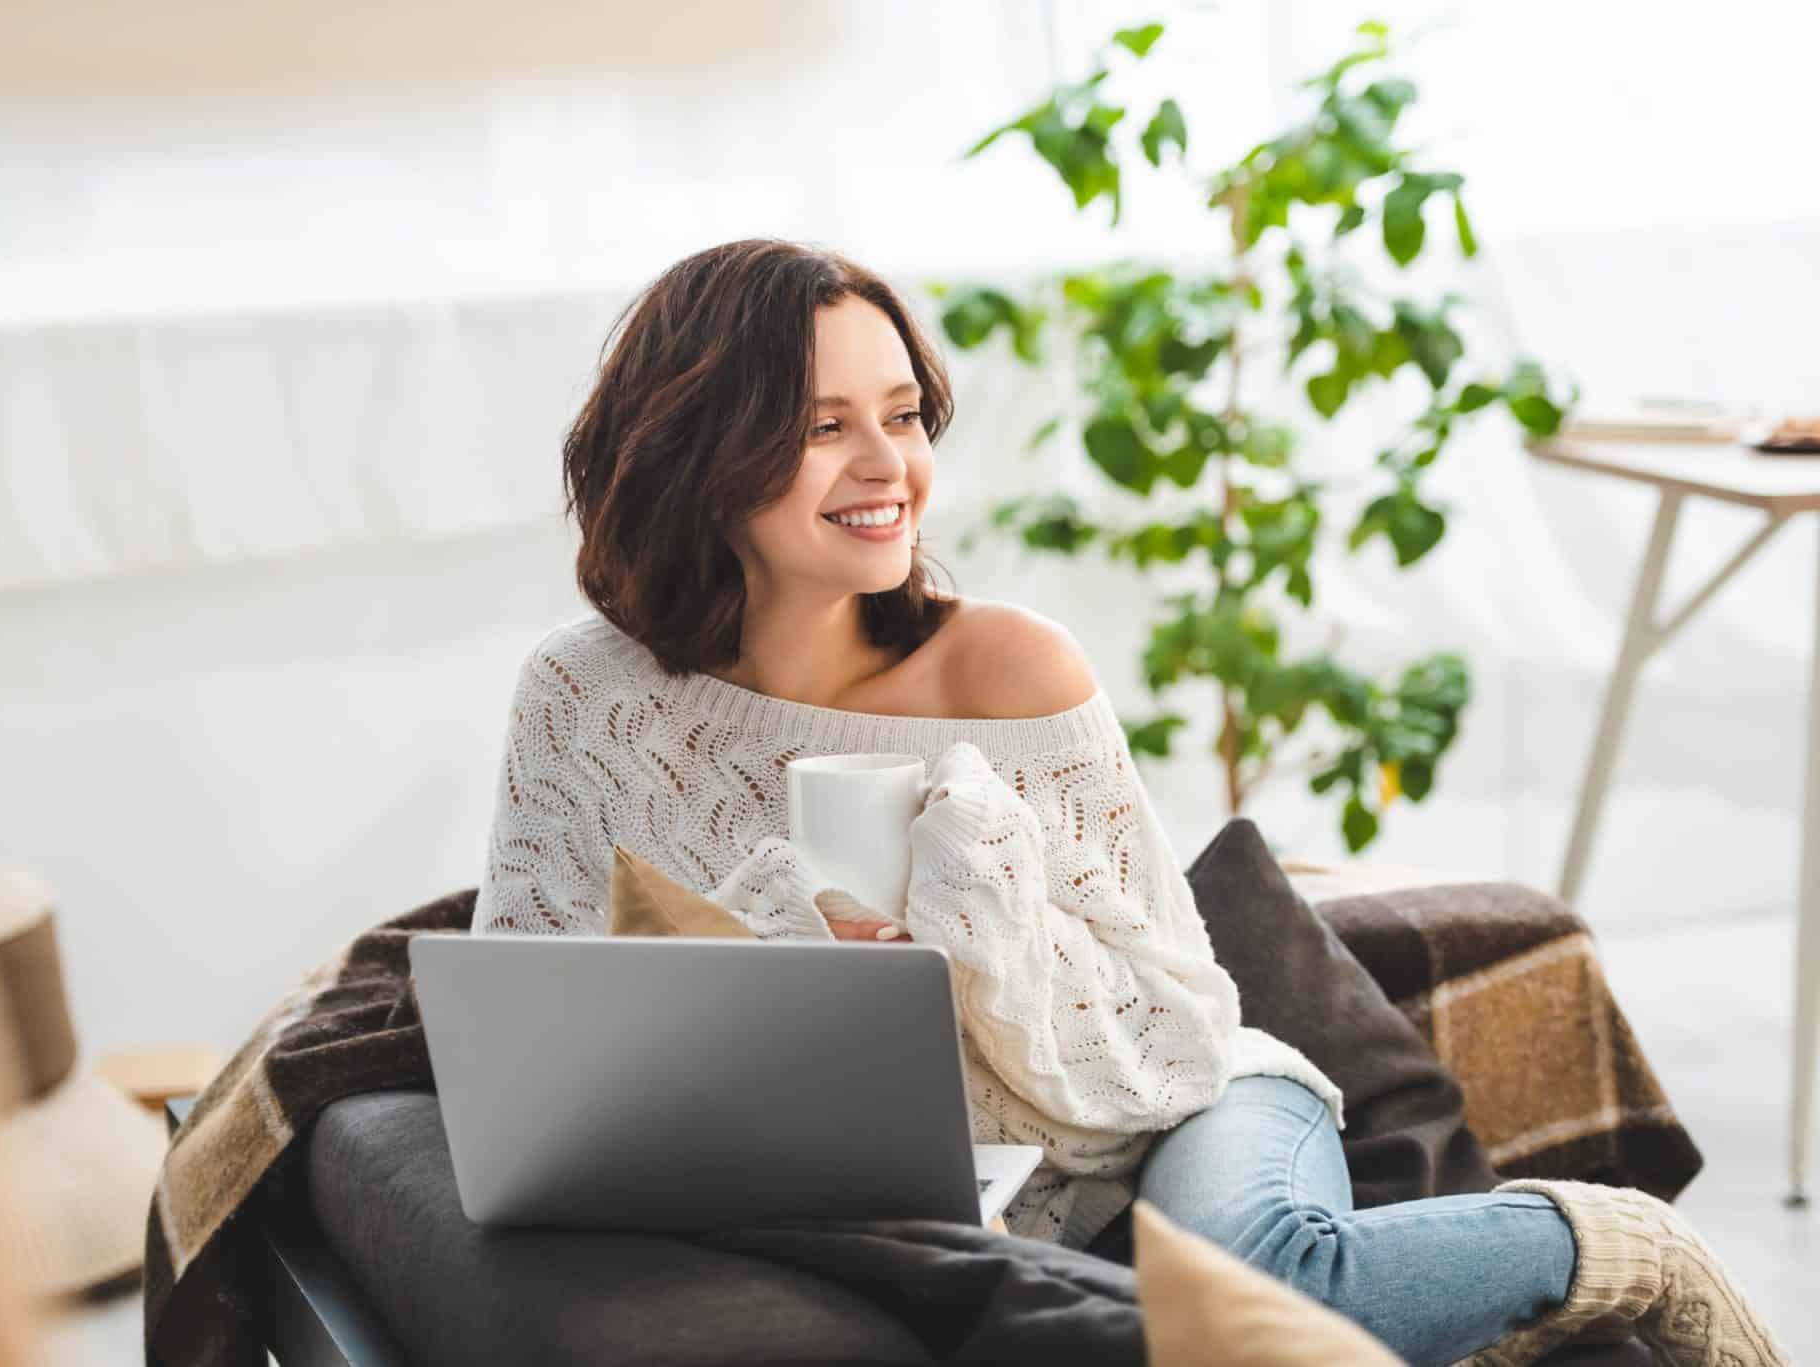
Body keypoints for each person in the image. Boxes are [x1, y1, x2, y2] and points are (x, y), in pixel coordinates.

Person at [471, 238, 1786, 1367]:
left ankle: (1617, 1247)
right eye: (823, 426)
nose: (888, 464)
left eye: (904, 412)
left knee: (1248, 1297)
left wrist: (966, 919)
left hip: (1183, 1099)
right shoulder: (587, 695)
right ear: (699, 450)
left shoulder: (1008, 667)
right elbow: (530, 1023)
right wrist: (801, 938)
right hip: (922, 1177)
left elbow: (1172, 1022)